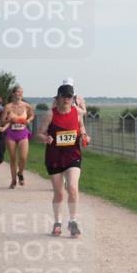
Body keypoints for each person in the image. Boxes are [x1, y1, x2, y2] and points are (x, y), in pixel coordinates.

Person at [37, 83, 87, 238]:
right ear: (57, 98)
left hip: (73, 155)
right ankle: (57, 222)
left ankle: (73, 221)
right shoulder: (50, 114)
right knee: (59, 193)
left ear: (72, 98)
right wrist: (45, 138)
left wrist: (85, 136)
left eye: (69, 96)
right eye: (63, 96)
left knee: (72, 187)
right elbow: (38, 133)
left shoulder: (77, 112)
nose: (66, 99)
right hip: (54, 156)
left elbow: (82, 128)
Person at [2, 85, 34, 188]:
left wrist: (28, 120)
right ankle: (13, 180)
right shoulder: (8, 107)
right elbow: (2, 121)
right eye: (18, 92)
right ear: (13, 94)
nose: (20, 94)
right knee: (12, 158)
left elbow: (32, 115)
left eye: (21, 92)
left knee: (23, 157)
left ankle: (20, 173)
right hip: (11, 133)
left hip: (23, 133)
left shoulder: (26, 106)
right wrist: (10, 120)